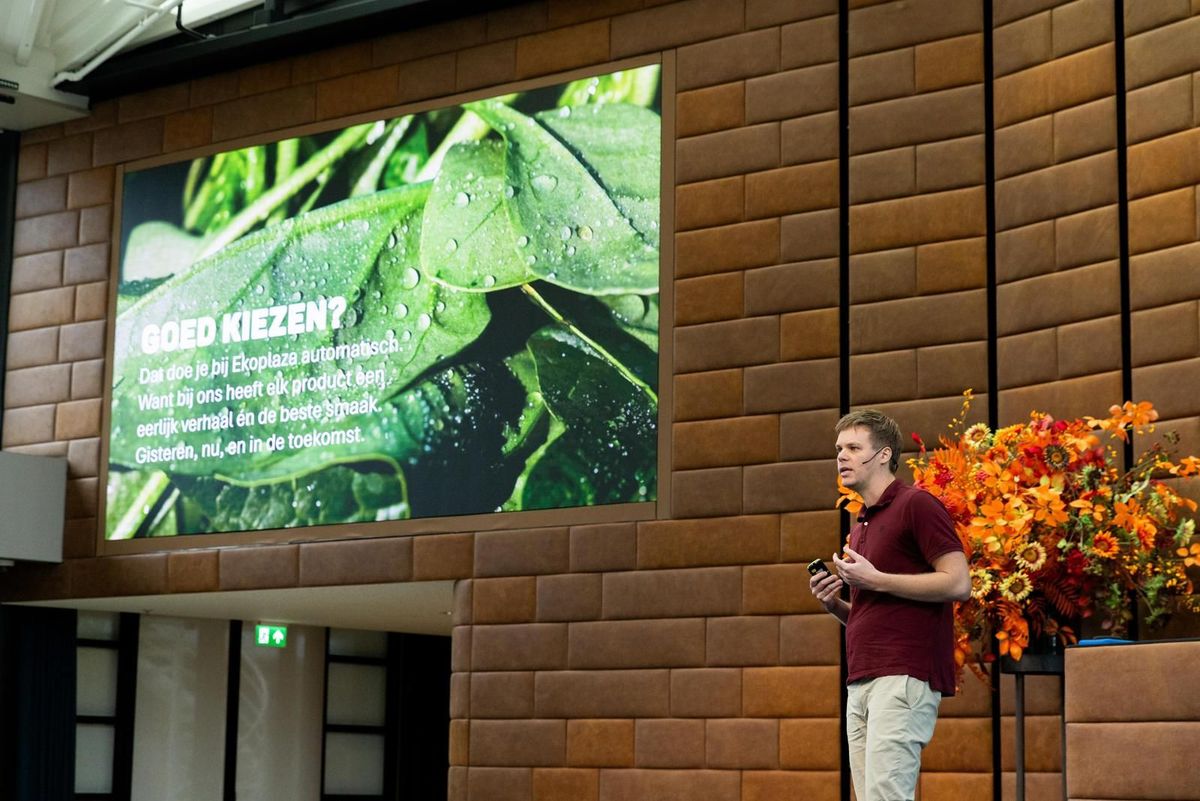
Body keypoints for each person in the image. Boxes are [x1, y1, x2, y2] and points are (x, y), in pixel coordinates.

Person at [809, 409, 970, 801]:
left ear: (883, 455)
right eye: (838, 449)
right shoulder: (860, 523)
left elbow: (959, 582)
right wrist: (835, 605)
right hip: (862, 678)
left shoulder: (916, 505)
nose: (841, 457)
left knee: (886, 797)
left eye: (852, 447)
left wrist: (875, 579)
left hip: (902, 676)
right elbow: (875, 611)